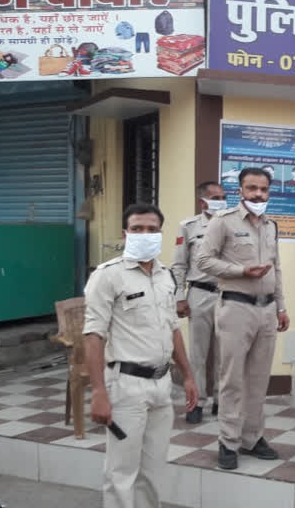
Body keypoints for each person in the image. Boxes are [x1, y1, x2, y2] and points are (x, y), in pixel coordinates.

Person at [83, 203, 198, 508]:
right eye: (137, 229)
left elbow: (173, 329)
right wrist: (98, 391)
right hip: (126, 386)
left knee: (153, 471)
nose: (144, 234)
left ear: (161, 234)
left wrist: (187, 375)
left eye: (151, 229)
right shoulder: (108, 276)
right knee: (121, 473)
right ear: (125, 233)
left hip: (161, 385)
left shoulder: (165, 277)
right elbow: (93, 335)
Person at [196, 167, 290, 470]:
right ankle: (228, 441)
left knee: (258, 379)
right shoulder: (224, 222)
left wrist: (281, 306)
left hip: (265, 310)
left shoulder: (270, 225)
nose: (258, 195)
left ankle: (252, 438)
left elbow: (276, 267)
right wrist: (241, 272)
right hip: (236, 307)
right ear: (240, 190)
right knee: (232, 379)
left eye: (263, 189)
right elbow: (204, 260)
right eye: (252, 188)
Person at [172, 181, 226, 424]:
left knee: (225, 353)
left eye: (223, 196)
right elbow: (179, 265)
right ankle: (196, 401)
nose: (220, 201)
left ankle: (220, 401)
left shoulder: (232, 224)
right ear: (202, 201)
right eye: (215, 197)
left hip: (227, 294)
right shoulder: (188, 227)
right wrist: (180, 297)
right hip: (199, 293)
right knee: (198, 353)